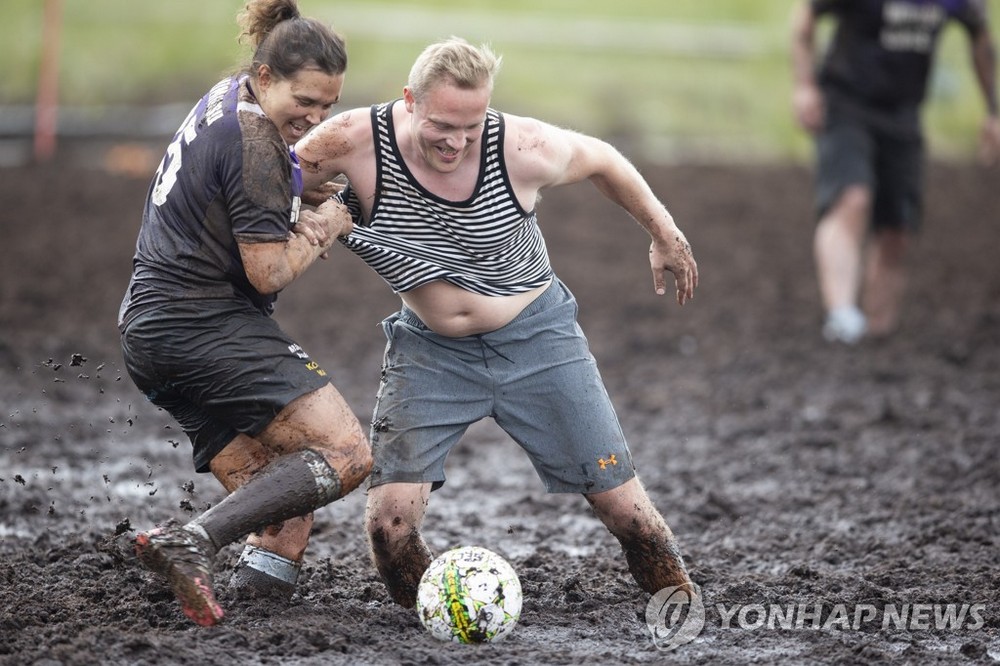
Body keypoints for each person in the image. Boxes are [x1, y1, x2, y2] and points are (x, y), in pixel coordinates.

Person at [293, 37, 698, 608]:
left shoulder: (521, 147)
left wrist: (664, 233)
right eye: (441, 125)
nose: (457, 141)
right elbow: (272, 183)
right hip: (429, 351)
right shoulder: (353, 142)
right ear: (409, 101)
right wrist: (311, 216)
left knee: (627, 511)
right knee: (389, 527)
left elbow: (604, 159)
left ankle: (681, 609)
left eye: (472, 124)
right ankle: (428, 623)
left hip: (537, 337)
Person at [118, 0, 372, 626]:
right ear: (266, 77)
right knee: (345, 453)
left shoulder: (227, 98)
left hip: (149, 332)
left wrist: (303, 185)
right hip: (202, 323)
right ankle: (193, 542)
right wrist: (332, 221)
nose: (313, 120)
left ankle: (250, 631)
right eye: (304, 103)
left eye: (327, 108)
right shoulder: (259, 139)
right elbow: (270, 271)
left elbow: (245, 176)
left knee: (280, 503)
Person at [791, 0, 1000, 344]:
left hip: (904, 113)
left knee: (897, 231)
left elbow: (980, 36)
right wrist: (804, 86)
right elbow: (805, 20)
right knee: (852, 199)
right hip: (846, 103)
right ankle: (842, 316)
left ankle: (877, 335)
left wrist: (992, 109)